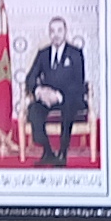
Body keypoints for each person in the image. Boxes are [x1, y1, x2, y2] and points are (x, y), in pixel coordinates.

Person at [23, 16, 86, 167]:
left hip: (69, 98)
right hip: (47, 98)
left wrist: (59, 96)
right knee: (34, 109)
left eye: (59, 30)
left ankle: (62, 153)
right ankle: (48, 152)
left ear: (65, 32)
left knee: (69, 107)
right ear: (49, 33)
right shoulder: (43, 53)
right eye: (52, 31)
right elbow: (30, 78)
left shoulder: (75, 53)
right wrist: (39, 91)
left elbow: (79, 82)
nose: (56, 34)